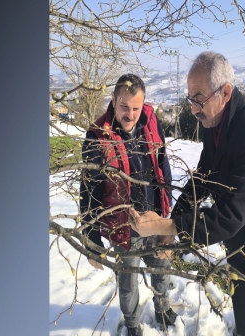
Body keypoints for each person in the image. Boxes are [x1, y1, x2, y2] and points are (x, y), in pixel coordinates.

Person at [130, 52, 245, 336]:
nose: (193, 108)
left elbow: (232, 213)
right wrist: (174, 225)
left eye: (198, 98)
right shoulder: (216, 122)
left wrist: (168, 226)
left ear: (225, 92)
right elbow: (203, 178)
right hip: (237, 248)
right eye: (190, 99)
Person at [79, 74, 178, 336]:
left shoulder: (150, 120)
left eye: (135, 108)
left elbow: (162, 164)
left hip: (155, 217)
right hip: (124, 225)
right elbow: (89, 193)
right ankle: (133, 323)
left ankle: (162, 306)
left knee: (161, 267)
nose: (130, 114)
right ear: (113, 100)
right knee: (128, 280)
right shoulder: (97, 136)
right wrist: (91, 240)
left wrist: (166, 214)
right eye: (124, 107)